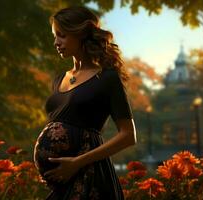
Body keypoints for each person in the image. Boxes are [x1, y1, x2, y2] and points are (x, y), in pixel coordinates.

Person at [33, 6, 137, 200]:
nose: (56, 42)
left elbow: (128, 135)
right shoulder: (59, 79)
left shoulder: (106, 78)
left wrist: (77, 162)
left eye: (62, 35)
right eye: (55, 36)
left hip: (90, 178)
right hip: (62, 184)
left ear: (80, 34)